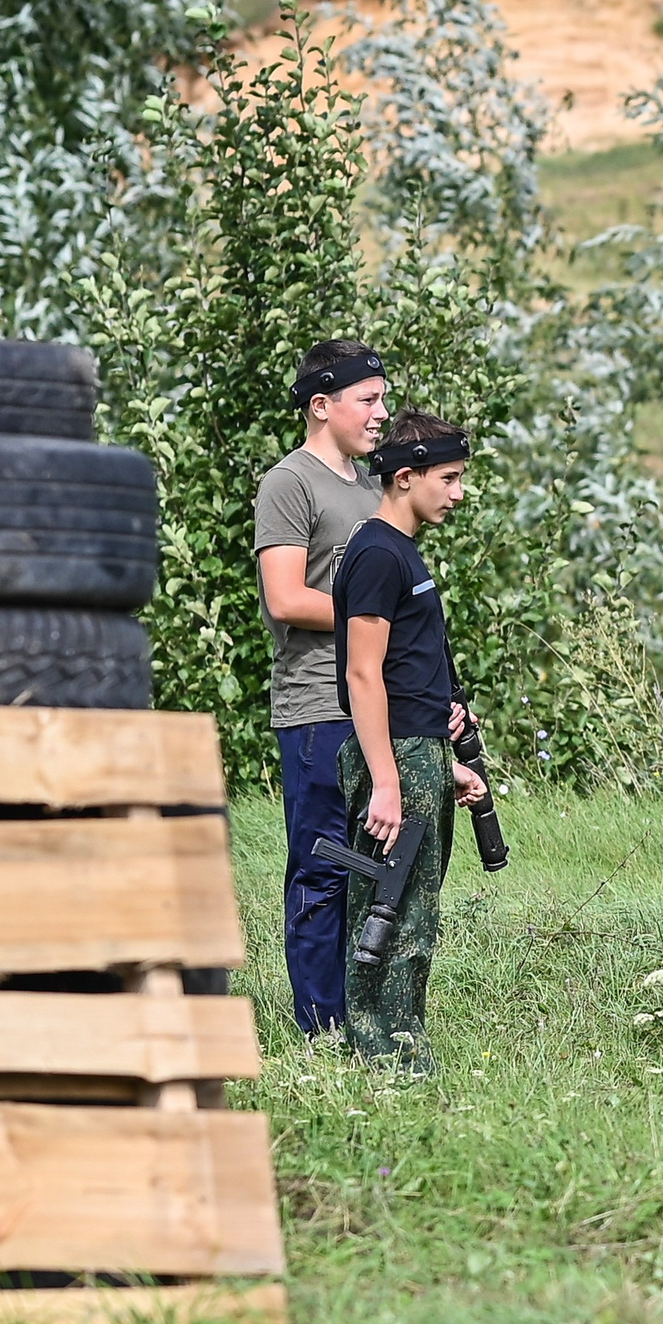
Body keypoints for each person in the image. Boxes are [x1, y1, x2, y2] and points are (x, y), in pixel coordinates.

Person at [331, 409, 490, 1075]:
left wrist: (441, 762)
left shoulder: (402, 550)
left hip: (417, 754)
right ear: (404, 477)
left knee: (416, 911)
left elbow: (404, 672)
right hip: (395, 758)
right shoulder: (375, 552)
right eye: (449, 478)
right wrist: (389, 780)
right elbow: (363, 673)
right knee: (390, 911)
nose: (458, 493)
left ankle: (403, 1046)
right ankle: (384, 1056)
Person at [254, 339, 387, 1039]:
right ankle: (319, 1027)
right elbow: (285, 597)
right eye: (367, 399)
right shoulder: (289, 482)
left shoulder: (372, 486)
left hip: (376, 707)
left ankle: (369, 1018)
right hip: (315, 708)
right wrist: (376, 613)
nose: (380, 412)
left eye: (382, 398)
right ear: (321, 404)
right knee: (323, 866)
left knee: (378, 869)